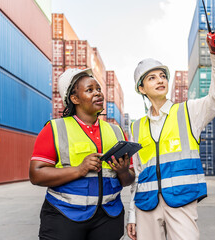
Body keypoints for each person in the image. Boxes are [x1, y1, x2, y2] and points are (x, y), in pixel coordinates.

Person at [126, 22, 215, 240]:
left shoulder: (188, 112)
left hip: (181, 202)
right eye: (152, 77)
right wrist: (132, 215)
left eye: (162, 76)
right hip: (147, 205)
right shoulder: (136, 127)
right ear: (141, 89)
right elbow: (138, 173)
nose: (160, 80)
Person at [29, 68, 135, 240]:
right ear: (74, 98)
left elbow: (129, 179)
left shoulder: (116, 131)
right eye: (89, 90)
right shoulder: (55, 129)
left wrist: (123, 171)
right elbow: (36, 175)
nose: (98, 93)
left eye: (98, 89)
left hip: (109, 217)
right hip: (64, 216)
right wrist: (80, 169)